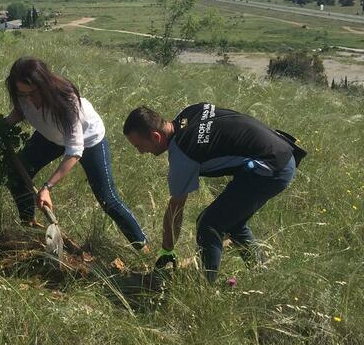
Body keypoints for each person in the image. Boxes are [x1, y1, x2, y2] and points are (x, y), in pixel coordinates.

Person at [123, 103, 304, 282]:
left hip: (271, 169)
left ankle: (207, 286)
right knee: (232, 223)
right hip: (280, 151)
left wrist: (167, 250)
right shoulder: (189, 112)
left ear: (155, 136)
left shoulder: (183, 154)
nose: (140, 152)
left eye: (139, 146)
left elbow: (175, 210)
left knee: (209, 224)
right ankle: (262, 273)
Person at [3, 57, 147, 248]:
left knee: (108, 198)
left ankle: (143, 247)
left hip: (87, 140)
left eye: (32, 93)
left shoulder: (66, 100)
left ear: (43, 86)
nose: (28, 99)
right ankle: (29, 225)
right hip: (51, 135)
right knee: (16, 175)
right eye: (22, 94)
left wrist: (47, 188)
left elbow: (74, 150)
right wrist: (0, 127)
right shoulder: (23, 95)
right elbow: (20, 111)